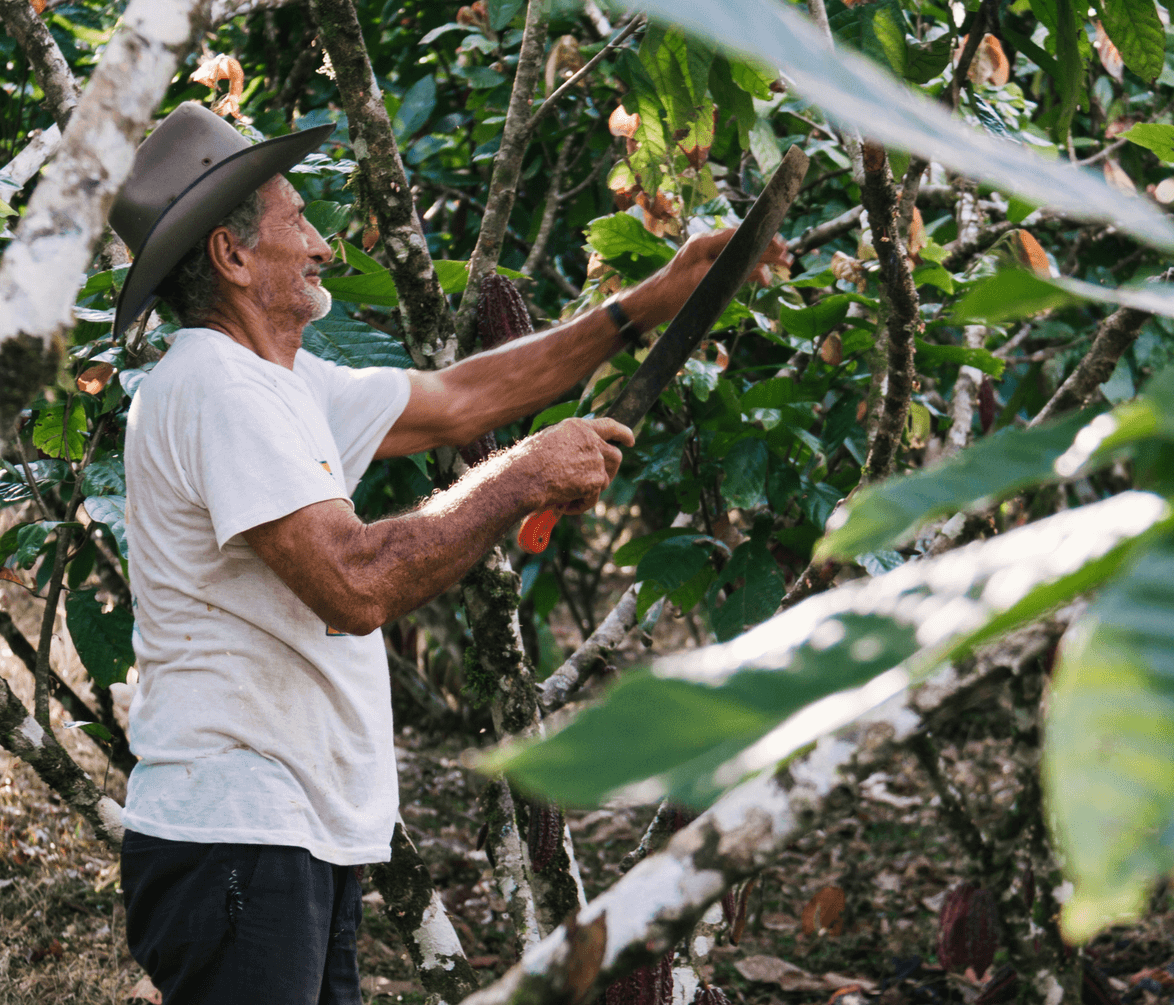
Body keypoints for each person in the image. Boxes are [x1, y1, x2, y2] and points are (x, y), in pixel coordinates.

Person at [111, 102, 781, 1004]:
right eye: (297, 219)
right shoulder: (215, 386)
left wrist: (651, 303)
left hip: (291, 833)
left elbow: (465, 397)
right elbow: (354, 582)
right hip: (239, 834)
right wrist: (522, 477)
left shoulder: (281, 380)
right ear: (231, 257)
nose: (321, 244)